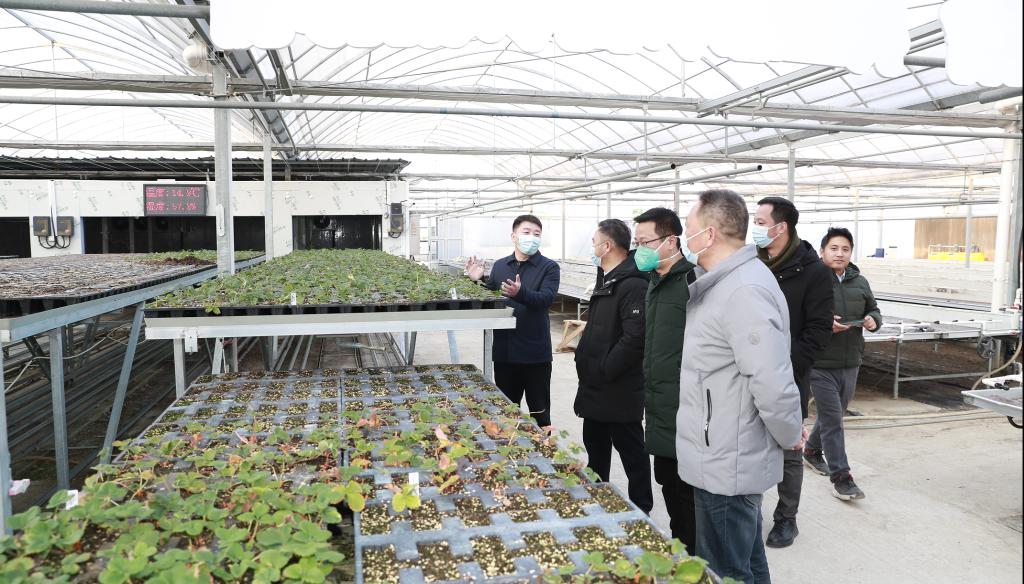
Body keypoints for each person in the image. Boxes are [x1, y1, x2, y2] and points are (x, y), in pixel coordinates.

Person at [675, 189, 804, 584]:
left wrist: (789, 435)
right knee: (745, 563)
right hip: (720, 449)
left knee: (727, 571)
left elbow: (772, 379)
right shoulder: (725, 284)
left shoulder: (743, 290)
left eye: (689, 227)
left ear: (709, 234)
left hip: (727, 458)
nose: (684, 236)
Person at [753, 197, 834, 549]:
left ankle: (787, 519)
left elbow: (817, 331)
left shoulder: (813, 272)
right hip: (748, 373)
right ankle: (750, 513)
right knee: (750, 445)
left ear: (781, 227)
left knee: (788, 448)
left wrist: (785, 369)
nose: (754, 228)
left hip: (788, 375)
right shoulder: (752, 263)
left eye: (760, 222)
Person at [574, 218, 654, 514]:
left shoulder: (632, 284)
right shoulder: (607, 278)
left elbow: (634, 339)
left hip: (618, 387)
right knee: (595, 447)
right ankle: (598, 500)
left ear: (606, 246)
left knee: (631, 450)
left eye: (594, 242)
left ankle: (641, 508)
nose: (592, 248)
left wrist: (605, 368)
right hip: (595, 385)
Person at [633, 207, 699, 550]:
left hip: (685, 409)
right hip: (659, 405)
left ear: (671, 241)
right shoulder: (655, 283)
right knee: (669, 485)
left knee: (687, 497)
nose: (639, 249)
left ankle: (694, 560)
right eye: (637, 242)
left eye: (645, 242)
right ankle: (682, 550)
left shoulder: (692, 282)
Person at [803, 227, 882, 501]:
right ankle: (842, 478)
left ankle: (811, 450)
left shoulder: (859, 281)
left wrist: (873, 320)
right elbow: (797, 316)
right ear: (822, 251)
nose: (839, 253)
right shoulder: (812, 280)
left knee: (833, 415)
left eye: (845, 249)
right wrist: (824, 324)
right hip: (820, 362)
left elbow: (873, 309)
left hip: (850, 361)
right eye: (834, 248)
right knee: (834, 420)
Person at [466, 215, 560, 430]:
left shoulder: (549, 267)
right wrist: (476, 281)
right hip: (505, 351)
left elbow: (546, 299)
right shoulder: (501, 266)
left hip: (535, 353)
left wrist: (520, 293)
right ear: (514, 236)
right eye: (526, 232)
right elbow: (489, 298)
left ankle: (544, 446)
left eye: (537, 234)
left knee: (540, 414)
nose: (532, 237)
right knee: (507, 411)